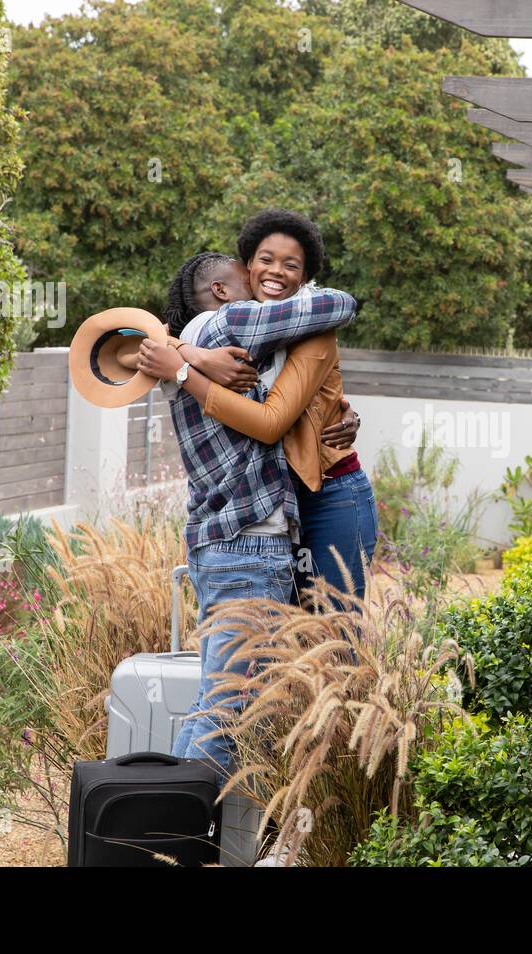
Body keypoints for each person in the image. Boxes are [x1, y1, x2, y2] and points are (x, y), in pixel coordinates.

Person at [141, 210, 359, 778]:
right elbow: (340, 304)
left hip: (218, 544)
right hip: (250, 544)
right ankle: (178, 839)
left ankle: (170, 829)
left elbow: (288, 409)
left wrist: (182, 357)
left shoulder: (187, 345)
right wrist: (193, 365)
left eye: (292, 266)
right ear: (223, 290)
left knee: (215, 701)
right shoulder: (231, 325)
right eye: (257, 265)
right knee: (231, 711)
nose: (272, 277)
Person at [141, 211, 378, 609]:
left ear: (303, 277)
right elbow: (145, 343)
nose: (276, 272)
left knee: (331, 633)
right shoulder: (239, 330)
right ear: (248, 266)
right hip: (276, 499)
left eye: (292, 265)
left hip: (330, 494)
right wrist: (190, 351)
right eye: (266, 259)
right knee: (285, 639)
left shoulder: (312, 328)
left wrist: (183, 369)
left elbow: (271, 423)